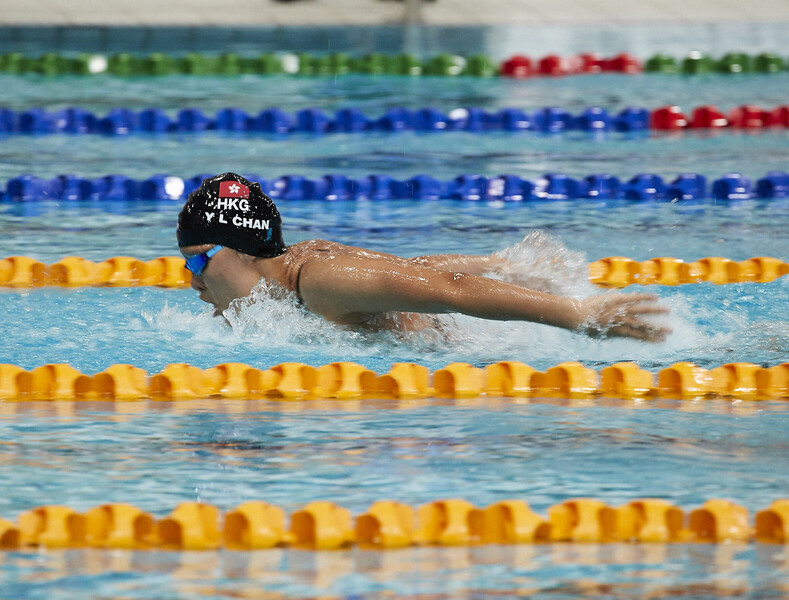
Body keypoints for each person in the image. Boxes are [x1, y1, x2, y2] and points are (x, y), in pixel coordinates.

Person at [177, 173, 670, 341]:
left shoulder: (320, 280)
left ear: (242, 251)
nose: (193, 281)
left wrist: (577, 314)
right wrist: (498, 264)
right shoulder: (299, 271)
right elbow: (402, 273)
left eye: (198, 262)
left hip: (473, 347)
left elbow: (450, 292)